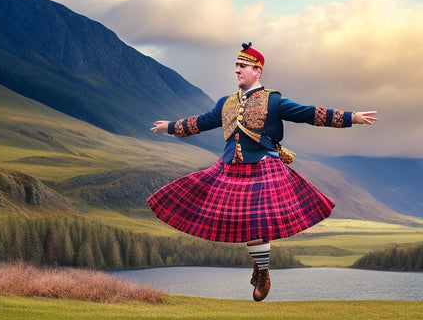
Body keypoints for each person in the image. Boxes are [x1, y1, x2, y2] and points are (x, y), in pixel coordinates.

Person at [147, 43, 377, 301]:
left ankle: (263, 272)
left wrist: (351, 117)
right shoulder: (226, 103)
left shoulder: (274, 100)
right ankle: (260, 266)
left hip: (264, 167)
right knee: (240, 221)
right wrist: (169, 127)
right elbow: (200, 122)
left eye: (242, 66)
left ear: (257, 71)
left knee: (256, 221)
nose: (237, 70)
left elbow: (309, 114)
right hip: (229, 168)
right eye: (235, 66)